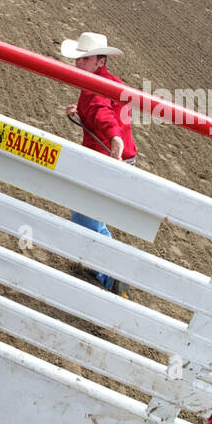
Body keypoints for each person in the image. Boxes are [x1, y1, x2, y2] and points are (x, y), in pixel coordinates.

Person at [59, 31, 135, 297]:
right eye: (79, 58)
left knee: (83, 216)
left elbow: (103, 113)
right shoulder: (108, 81)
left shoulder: (94, 87)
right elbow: (105, 109)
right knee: (92, 214)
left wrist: (114, 137)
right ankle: (105, 267)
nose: (79, 63)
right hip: (119, 157)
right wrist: (82, 115)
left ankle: (112, 276)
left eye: (85, 59)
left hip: (107, 159)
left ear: (99, 61)